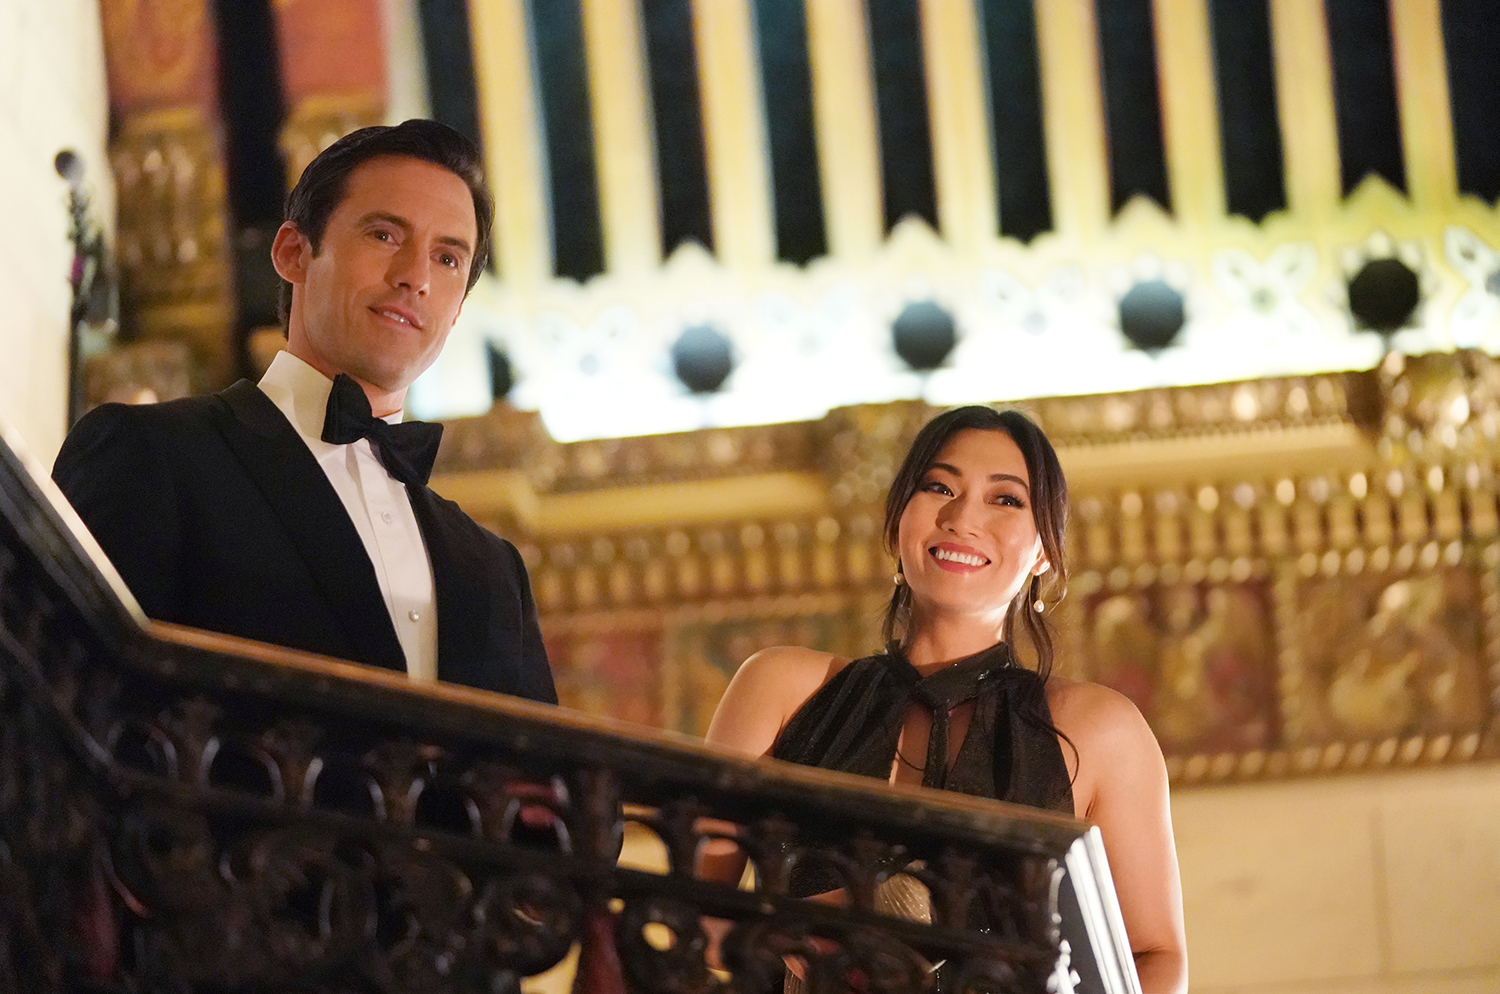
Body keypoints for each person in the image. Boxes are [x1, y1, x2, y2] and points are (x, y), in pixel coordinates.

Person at [52, 120, 556, 703]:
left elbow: (546, 783)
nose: (415, 277)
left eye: (447, 260)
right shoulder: (151, 453)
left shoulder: (495, 571)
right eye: (386, 236)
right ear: (294, 253)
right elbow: (57, 703)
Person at [704, 406, 1187, 992]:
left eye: (1005, 500)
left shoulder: (1100, 730)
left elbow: (1154, 955)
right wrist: (798, 937)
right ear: (897, 524)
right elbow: (692, 912)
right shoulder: (779, 687)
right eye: (938, 487)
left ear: (1043, 553)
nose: (962, 517)